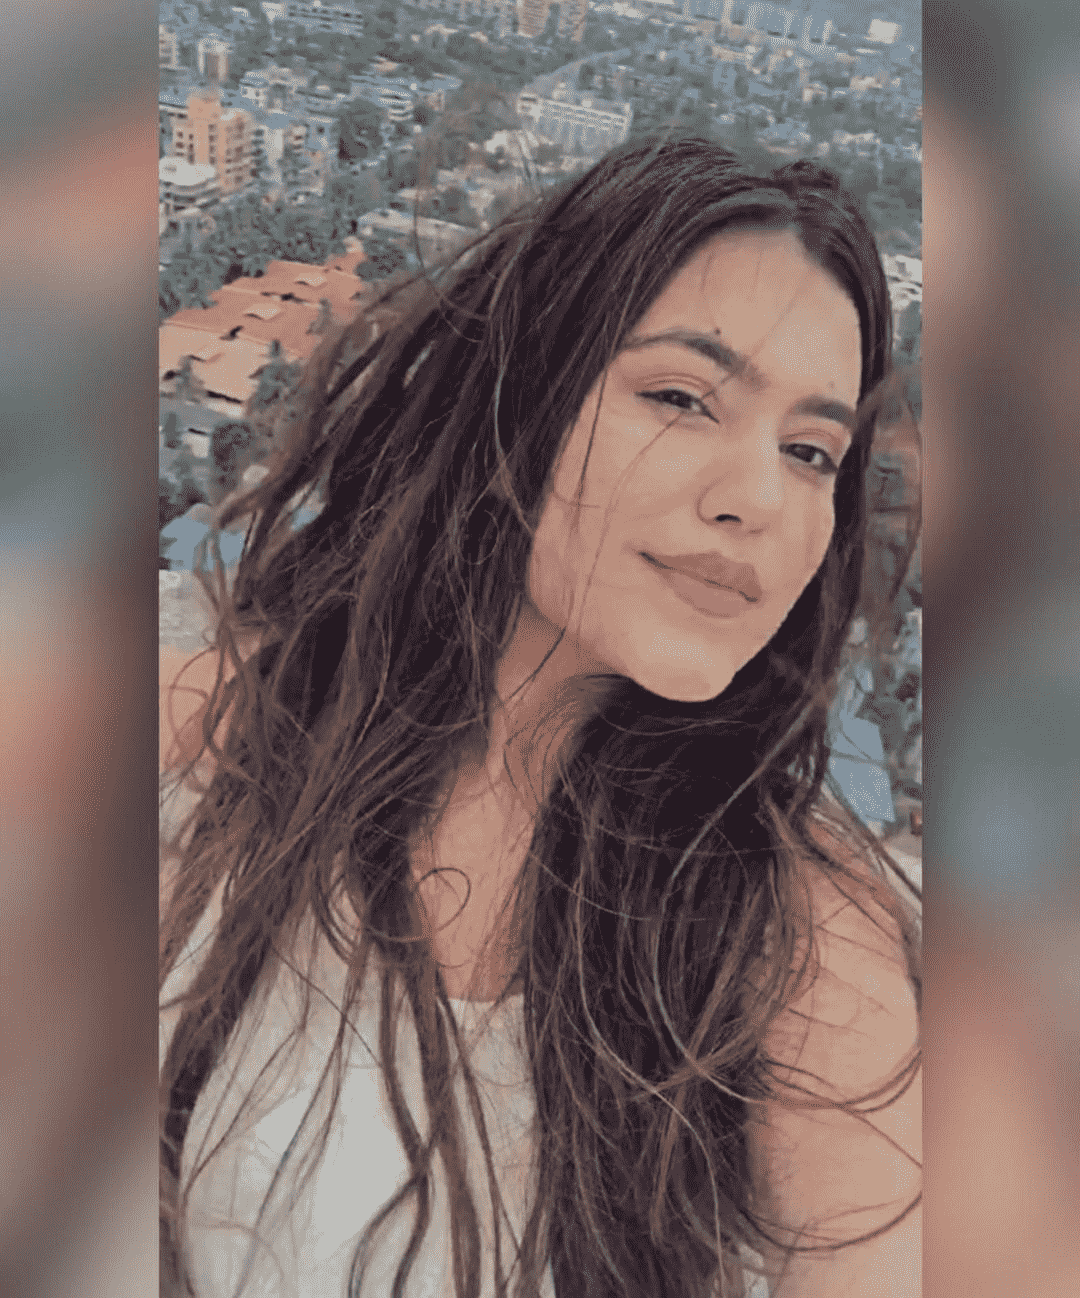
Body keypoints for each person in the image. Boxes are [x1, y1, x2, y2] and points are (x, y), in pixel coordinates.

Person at [160, 137, 921, 1298]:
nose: (759, 498)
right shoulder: (219, 737)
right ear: (523, 392)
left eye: (812, 451)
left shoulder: (795, 941)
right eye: (681, 397)